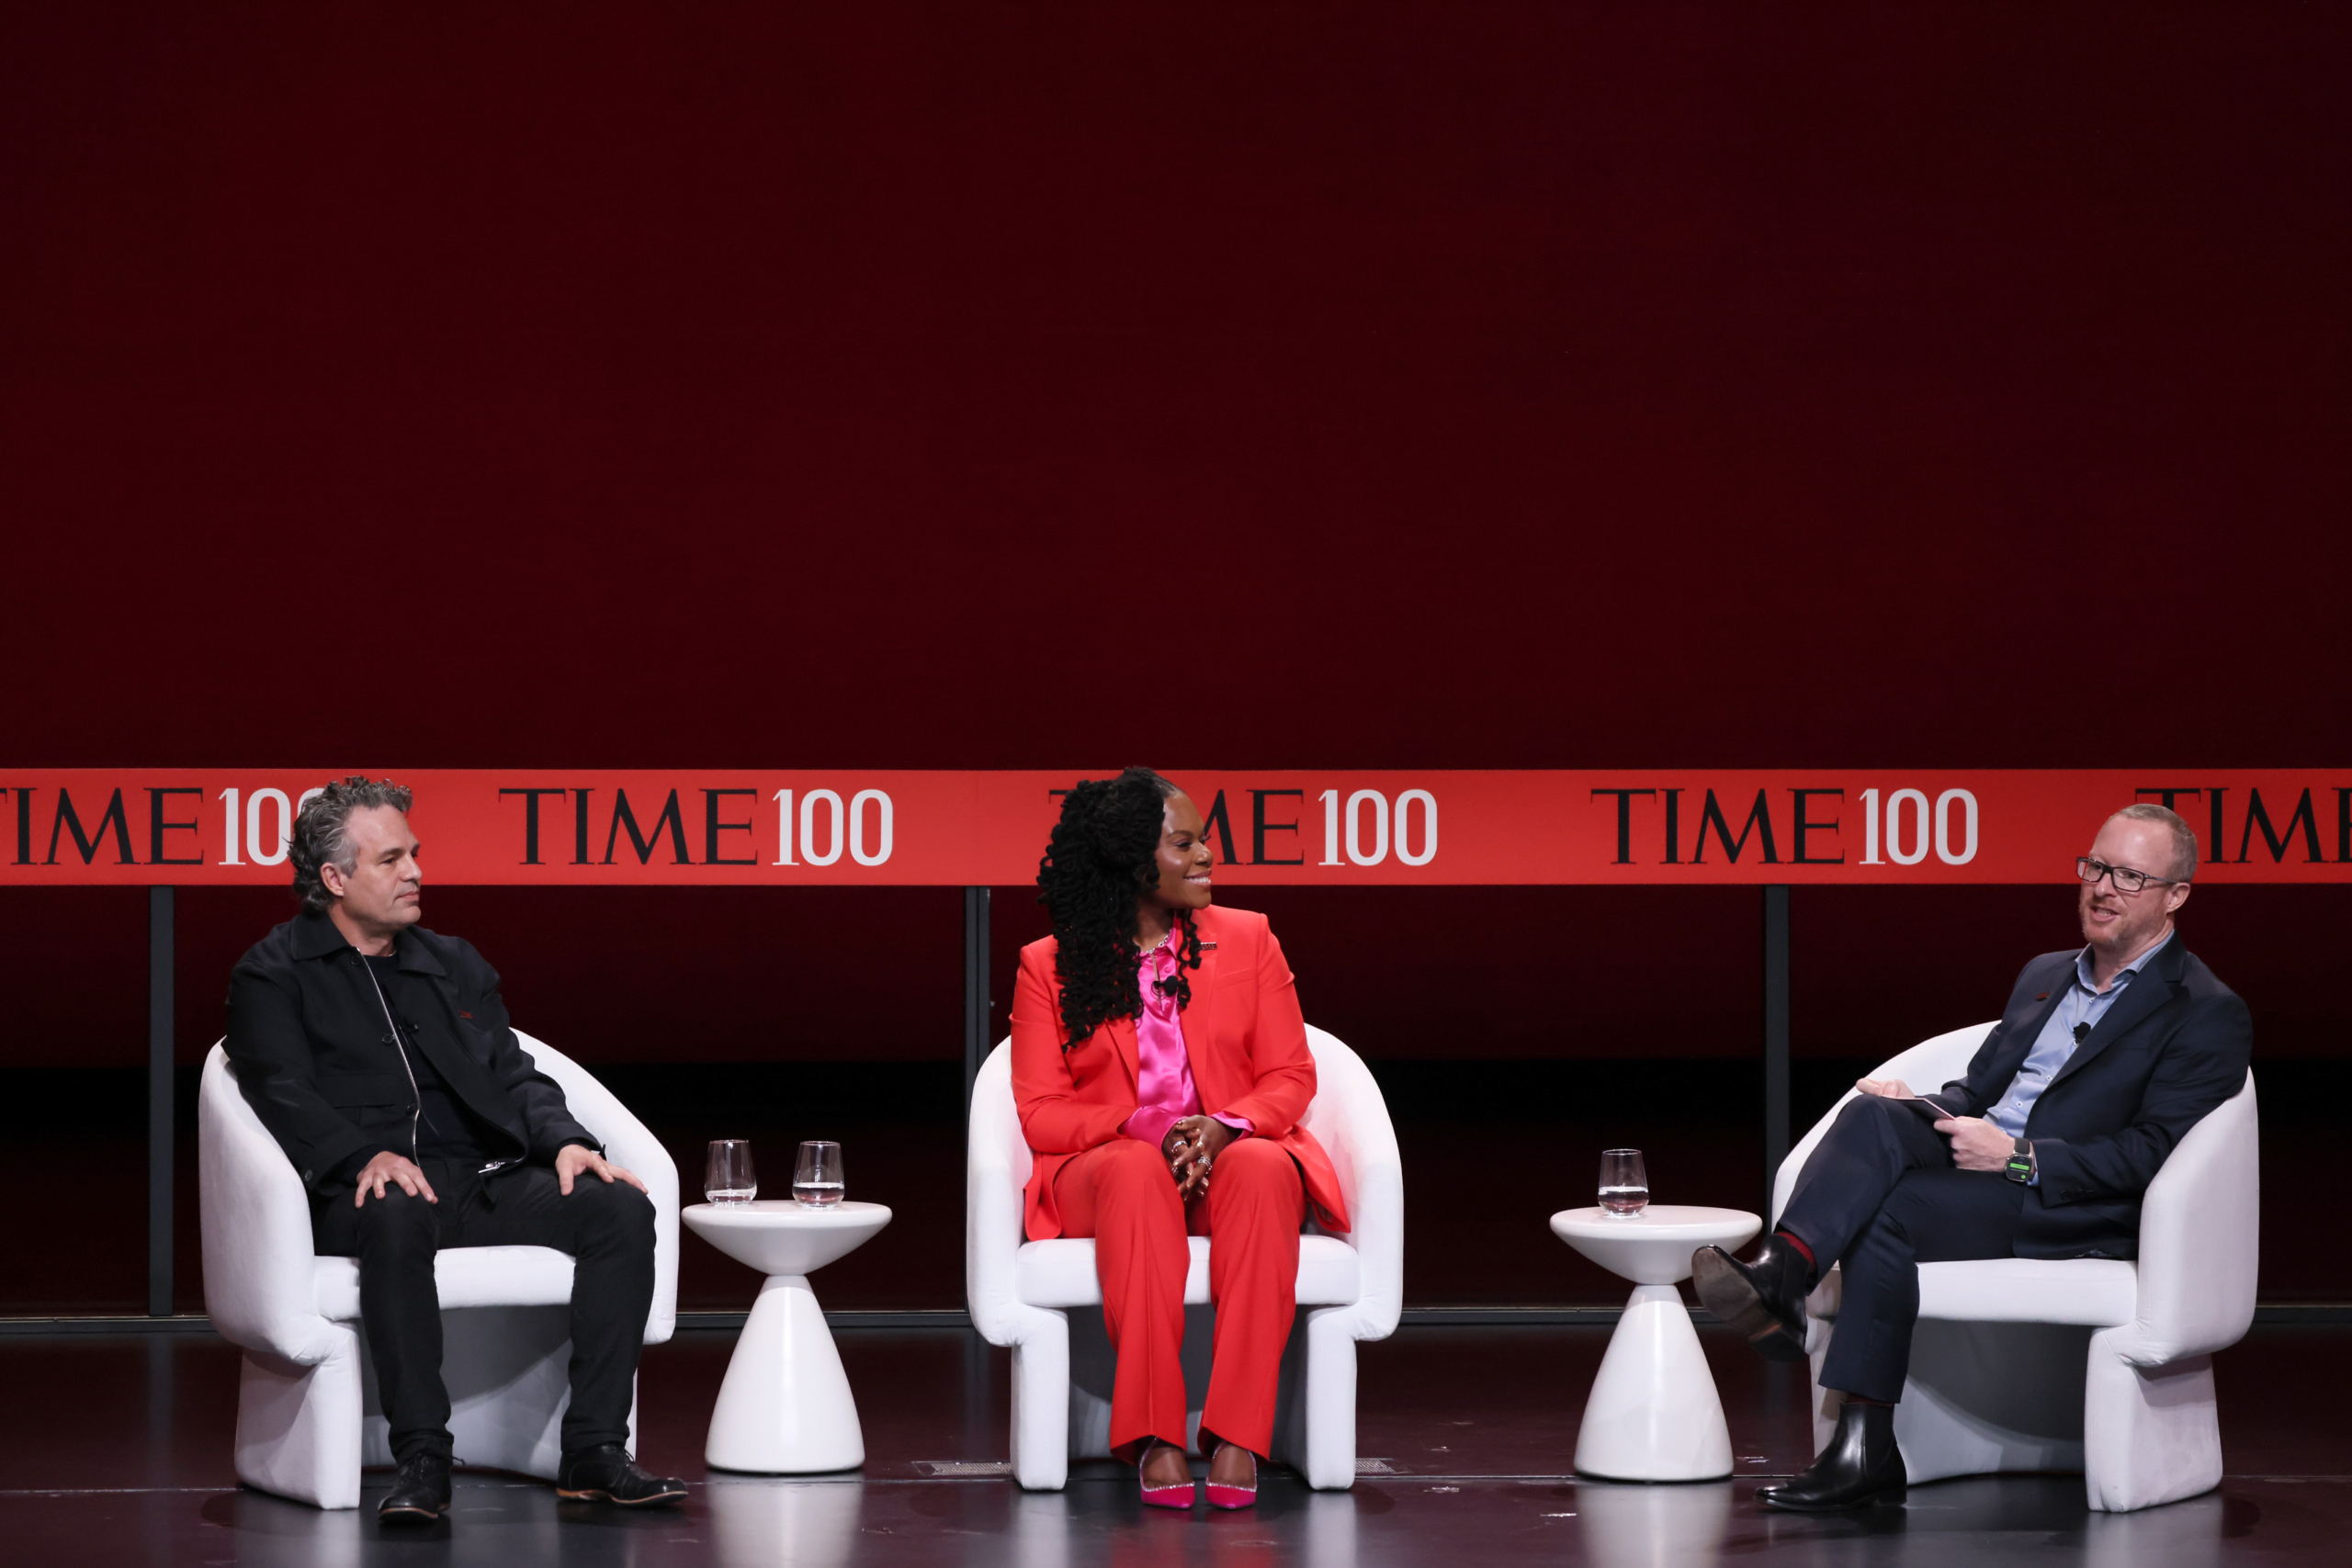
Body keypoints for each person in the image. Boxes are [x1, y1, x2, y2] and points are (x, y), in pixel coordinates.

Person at [1693, 804, 2252, 1511]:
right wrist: (1919, 1104)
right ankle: (1785, 1271)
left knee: (1886, 1214)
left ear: (2177, 894)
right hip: (1983, 1160)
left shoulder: (2204, 1009)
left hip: (2066, 1202)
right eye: (2096, 866)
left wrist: (2020, 1157)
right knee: (1873, 1113)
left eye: (2132, 876)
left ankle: (1858, 1437)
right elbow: (1976, 1088)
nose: (2103, 887)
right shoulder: (2045, 973)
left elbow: (2149, 1156)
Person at [224, 778, 686, 1525]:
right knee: (397, 1208)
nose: (415, 872)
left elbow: (512, 1070)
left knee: (620, 1209)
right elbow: (280, 1090)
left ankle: (595, 1451)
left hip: (477, 1180)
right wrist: (357, 1157)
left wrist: (566, 1141)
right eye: (392, 859)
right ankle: (422, 1457)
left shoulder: (450, 961)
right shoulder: (273, 974)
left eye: (415, 854)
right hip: (366, 1195)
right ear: (336, 879)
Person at [1011, 768, 1350, 1511]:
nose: (1206, 858)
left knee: (1265, 1166)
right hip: (1110, 1176)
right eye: (1185, 843)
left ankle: (1238, 1434)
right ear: (1134, 859)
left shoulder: (1250, 937)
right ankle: (1154, 1434)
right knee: (1134, 1172)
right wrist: (1135, 1126)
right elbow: (1041, 1112)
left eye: (1205, 840)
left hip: (1225, 1166)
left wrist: (1225, 1128)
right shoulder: (1050, 963)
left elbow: (1291, 1073)